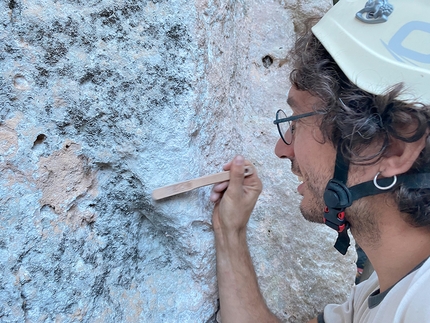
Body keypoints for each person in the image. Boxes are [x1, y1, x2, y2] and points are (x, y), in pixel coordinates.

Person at [210, 0, 430, 322]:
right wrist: (230, 231)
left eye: (298, 121)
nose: (281, 150)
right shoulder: (382, 290)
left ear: (393, 148)